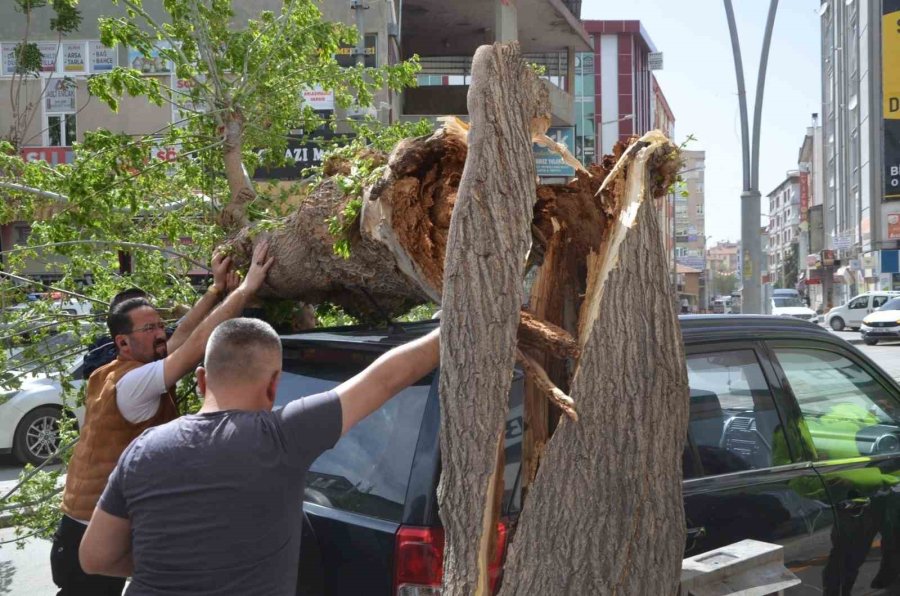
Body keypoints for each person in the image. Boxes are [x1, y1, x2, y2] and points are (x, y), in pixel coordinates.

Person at [79, 316, 440, 595]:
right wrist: (455, 322)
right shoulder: (284, 436)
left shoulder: (142, 450)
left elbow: (94, 557)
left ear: (202, 380)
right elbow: (387, 378)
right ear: (273, 385)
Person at [50, 241, 274, 596]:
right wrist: (245, 290)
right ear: (123, 343)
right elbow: (191, 349)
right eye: (149, 329)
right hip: (89, 536)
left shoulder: (119, 368)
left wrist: (216, 289)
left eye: (159, 325)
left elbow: (182, 333)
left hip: (99, 528)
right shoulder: (132, 383)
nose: (160, 333)